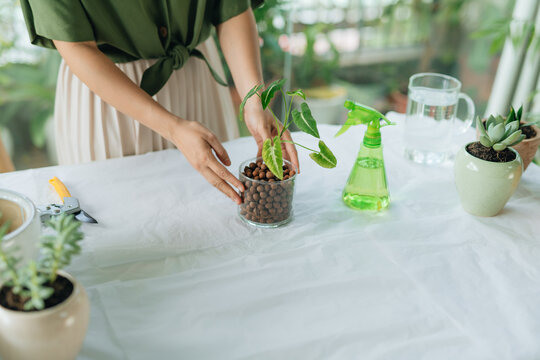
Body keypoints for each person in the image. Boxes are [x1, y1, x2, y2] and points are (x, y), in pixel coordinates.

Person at [20, 0, 298, 204]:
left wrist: (253, 98)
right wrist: (173, 127)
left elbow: (231, 8)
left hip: (198, 81)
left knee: (214, 214)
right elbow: (75, 44)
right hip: (109, 98)